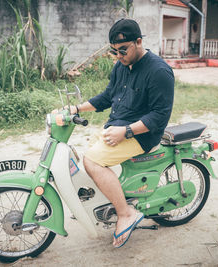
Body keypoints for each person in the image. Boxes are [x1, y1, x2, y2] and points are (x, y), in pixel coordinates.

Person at [68, 18, 174, 248]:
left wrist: (125, 132)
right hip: (118, 126)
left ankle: (126, 213)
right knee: (83, 154)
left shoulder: (159, 71)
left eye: (122, 50)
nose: (118, 56)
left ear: (138, 42)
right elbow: (107, 97)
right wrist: (76, 109)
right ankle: (107, 202)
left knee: (93, 161)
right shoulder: (121, 66)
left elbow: (159, 116)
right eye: (114, 51)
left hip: (142, 134)